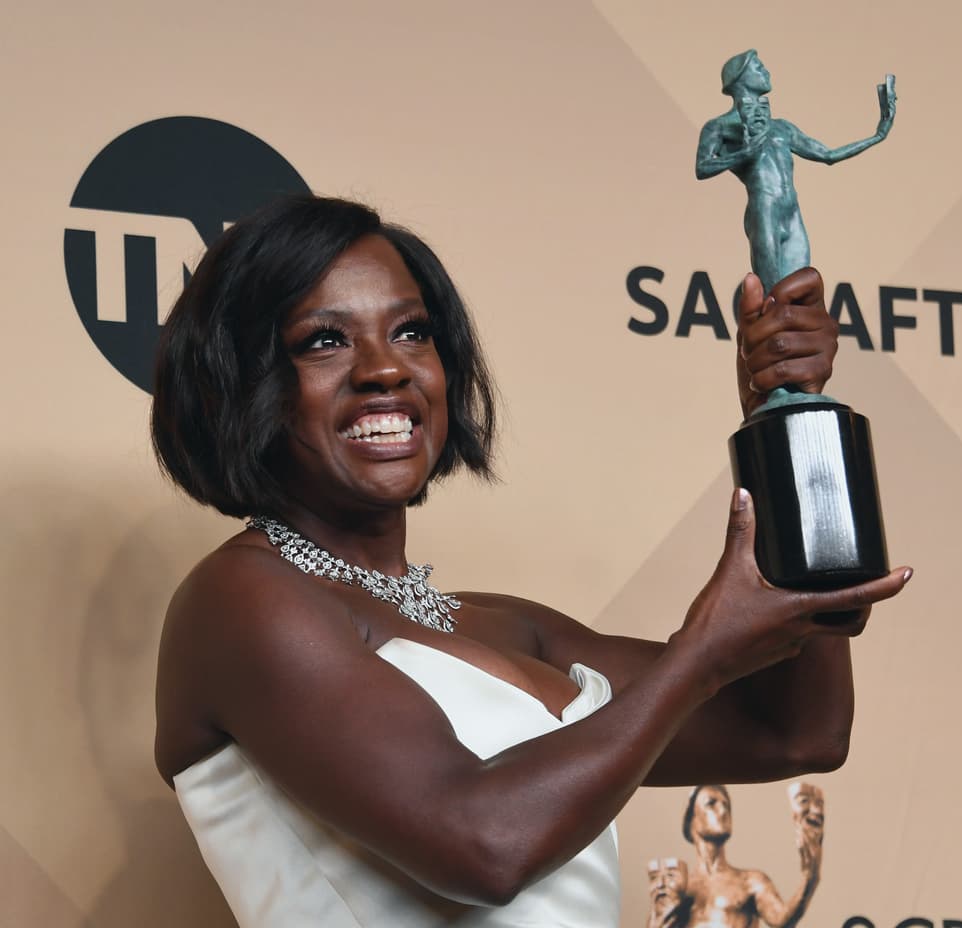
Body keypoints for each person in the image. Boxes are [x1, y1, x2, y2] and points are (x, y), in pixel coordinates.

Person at [151, 194, 912, 926]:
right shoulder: (239, 599)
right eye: (324, 340)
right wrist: (699, 654)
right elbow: (484, 848)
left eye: (412, 332)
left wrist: (786, 415)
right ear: (238, 383)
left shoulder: (507, 628)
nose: (386, 369)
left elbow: (793, 731)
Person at [695, 50, 896, 290]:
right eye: (759, 67)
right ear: (740, 77)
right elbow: (702, 167)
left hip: (791, 212)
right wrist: (743, 154)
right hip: (765, 211)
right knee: (773, 298)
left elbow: (828, 155)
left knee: (798, 297)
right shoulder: (719, 127)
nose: (766, 72)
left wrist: (877, 135)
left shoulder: (782, 128)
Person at [678, 785, 820, 928]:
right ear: (691, 820)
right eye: (711, 803)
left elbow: (782, 920)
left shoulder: (750, 882)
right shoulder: (681, 888)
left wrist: (810, 877)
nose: (723, 811)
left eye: (726, 805)